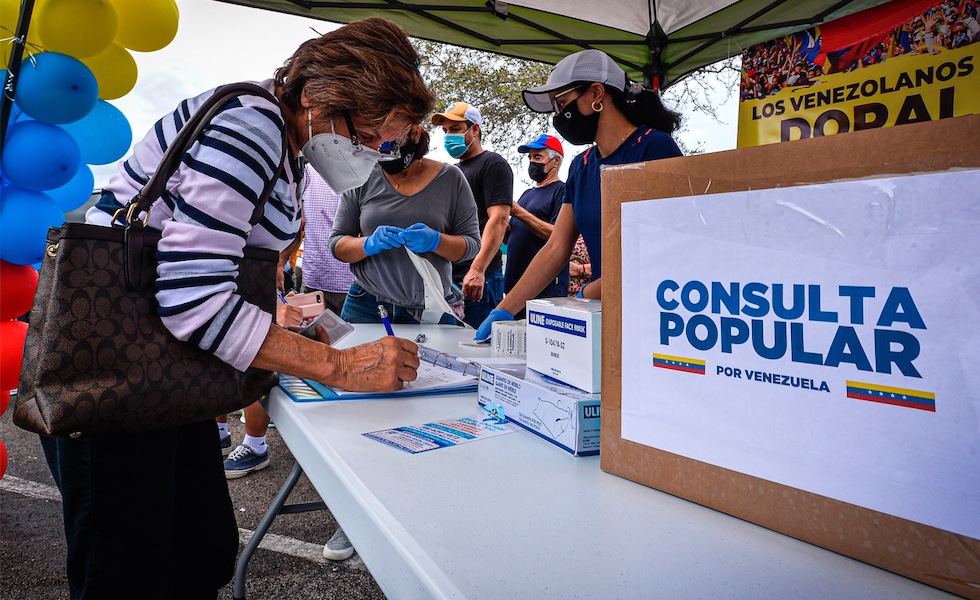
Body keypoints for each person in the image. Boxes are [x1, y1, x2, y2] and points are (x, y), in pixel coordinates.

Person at [39, 18, 434, 599]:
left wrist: (285, 328)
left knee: (201, 553)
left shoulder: (280, 139)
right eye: (370, 132)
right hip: (116, 386)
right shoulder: (250, 127)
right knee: (127, 575)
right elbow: (194, 298)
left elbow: (210, 263)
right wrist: (343, 368)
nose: (375, 151)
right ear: (315, 97)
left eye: (387, 140)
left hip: (166, 376)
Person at [474, 48, 683, 340]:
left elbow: (666, 252)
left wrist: (590, 291)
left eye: (561, 104)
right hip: (605, 315)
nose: (557, 116)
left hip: (657, 317)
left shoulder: (655, 149)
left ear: (596, 93)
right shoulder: (582, 165)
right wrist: (505, 310)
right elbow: (556, 248)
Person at [330, 124, 481, 324]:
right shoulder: (362, 178)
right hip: (367, 305)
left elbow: (471, 246)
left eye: (392, 142)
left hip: (431, 309)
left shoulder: (451, 179)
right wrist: (368, 244)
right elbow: (337, 245)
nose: (384, 150)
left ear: (415, 133)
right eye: (377, 143)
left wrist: (436, 241)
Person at [431, 102, 513, 328]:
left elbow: (499, 219)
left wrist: (477, 270)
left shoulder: (493, 163)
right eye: (446, 131)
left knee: (479, 348)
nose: (448, 136)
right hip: (453, 279)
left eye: (455, 130)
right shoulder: (454, 171)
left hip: (479, 279)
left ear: (474, 129)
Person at [506, 133, 569, 309]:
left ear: (556, 161)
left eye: (538, 157)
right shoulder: (527, 194)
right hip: (515, 288)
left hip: (545, 291)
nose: (532, 162)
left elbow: (558, 235)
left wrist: (519, 212)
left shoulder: (562, 191)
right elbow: (513, 236)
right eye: (530, 157)